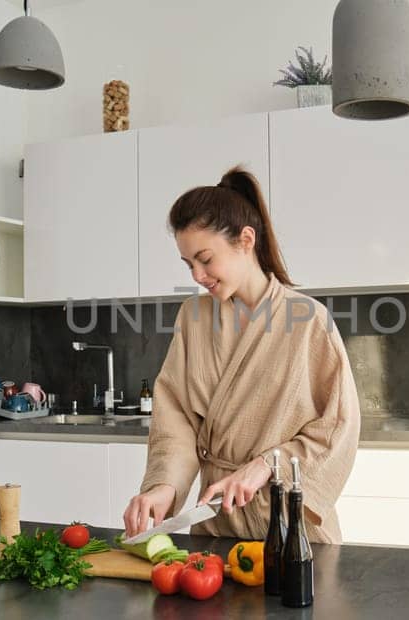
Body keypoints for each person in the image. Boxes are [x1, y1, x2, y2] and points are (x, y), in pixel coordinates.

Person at [121, 165, 361, 544]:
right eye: (189, 265)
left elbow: (337, 429)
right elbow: (177, 422)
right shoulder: (194, 317)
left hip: (290, 528)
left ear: (246, 240)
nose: (198, 275)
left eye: (205, 259)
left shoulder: (308, 321)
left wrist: (266, 466)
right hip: (217, 525)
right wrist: (163, 487)